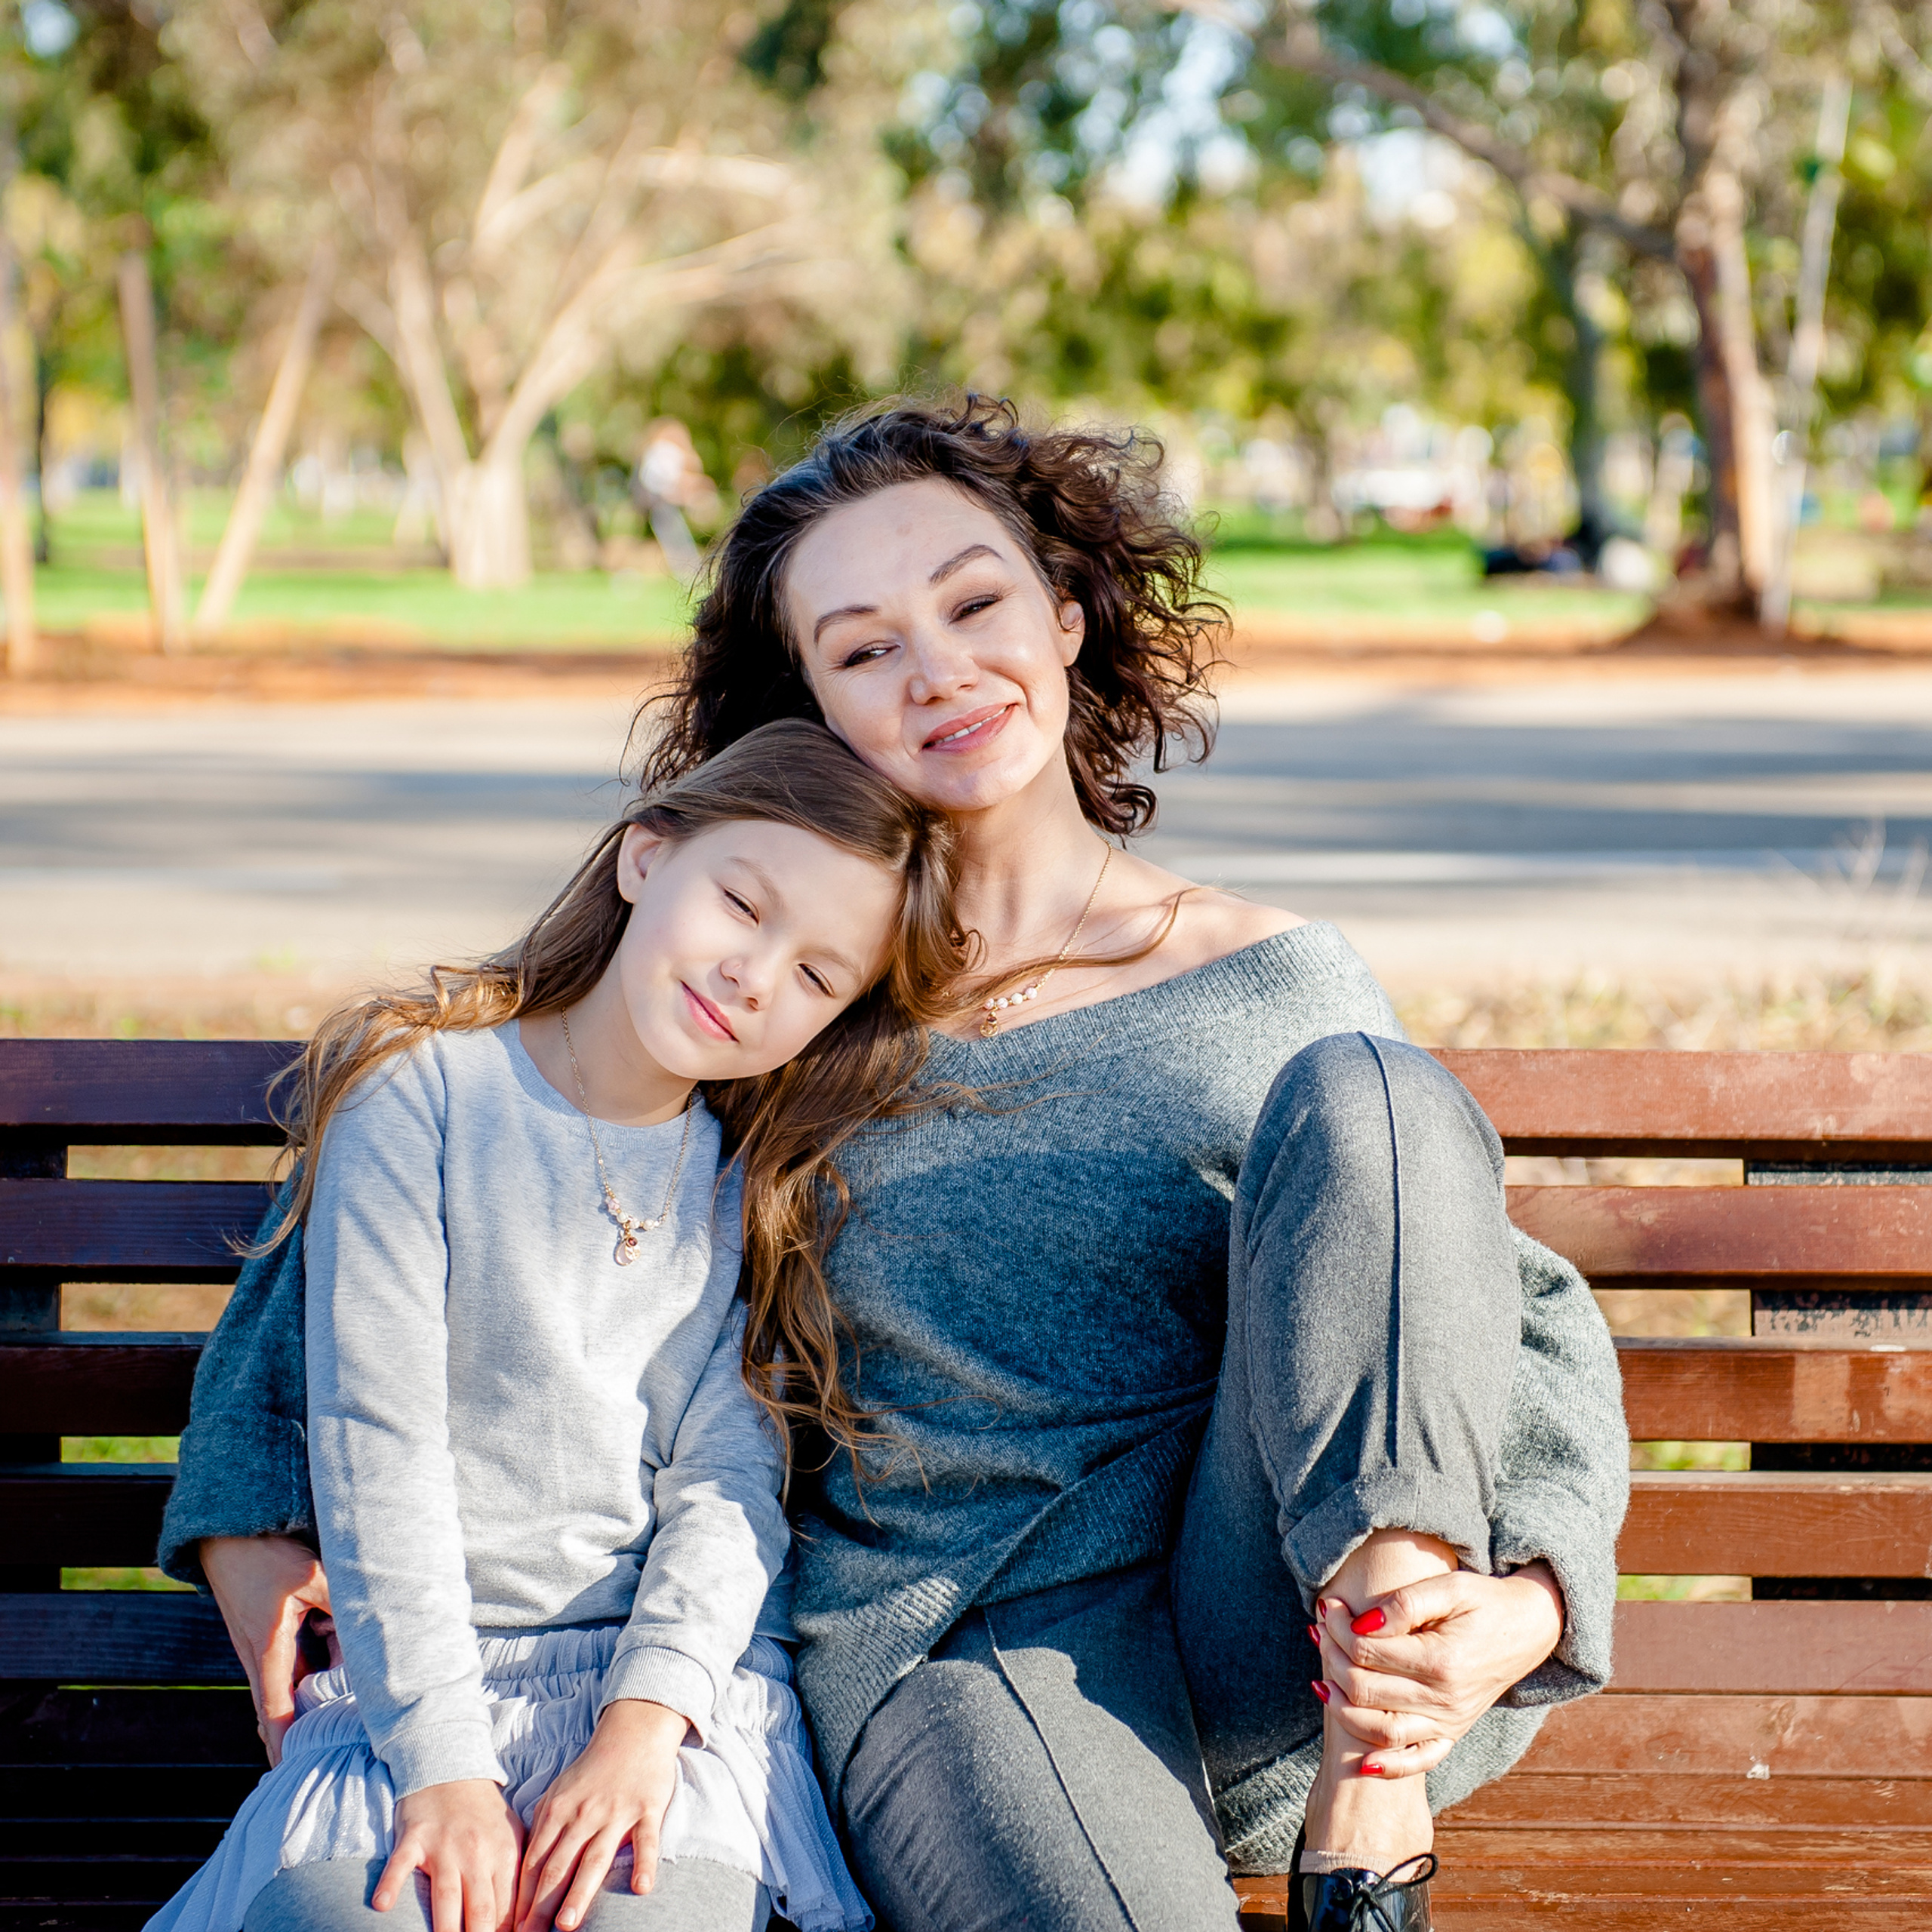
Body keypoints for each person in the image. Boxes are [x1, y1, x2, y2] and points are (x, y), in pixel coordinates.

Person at [164, 397, 1629, 1932]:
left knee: (1378, 1091)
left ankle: (1376, 1793)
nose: (935, 666)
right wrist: (249, 1511)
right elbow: (444, 1153)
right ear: (800, 709)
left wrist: (1516, 1604)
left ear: (1065, 617)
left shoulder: (1268, 980)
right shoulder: (772, 982)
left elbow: (1489, 1312)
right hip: (962, 1640)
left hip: (1289, 1633)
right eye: (862, 647)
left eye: (973, 602)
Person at [153, 721, 963, 1932]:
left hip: (656, 1694)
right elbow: (379, 1448)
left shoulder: (759, 1177)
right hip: (423, 1687)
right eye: (743, 904)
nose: (754, 975)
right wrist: (443, 1772)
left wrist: (645, 1726)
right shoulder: (417, 1099)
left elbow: (730, 1478)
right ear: (646, 858)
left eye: (815, 976)